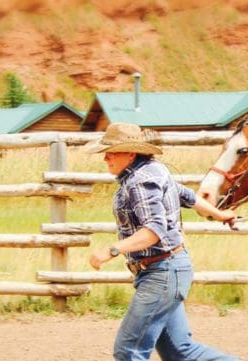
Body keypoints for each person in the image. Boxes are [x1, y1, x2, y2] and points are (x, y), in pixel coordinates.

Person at [83, 122, 239, 361]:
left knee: (128, 351)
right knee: (180, 351)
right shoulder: (154, 170)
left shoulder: (140, 181)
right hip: (169, 269)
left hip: (162, 272)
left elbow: (154, 230)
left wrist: (112, 250)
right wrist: (221, 214)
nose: (106, 157)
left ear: (131, 152)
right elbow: (187, 196)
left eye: (112, 151)